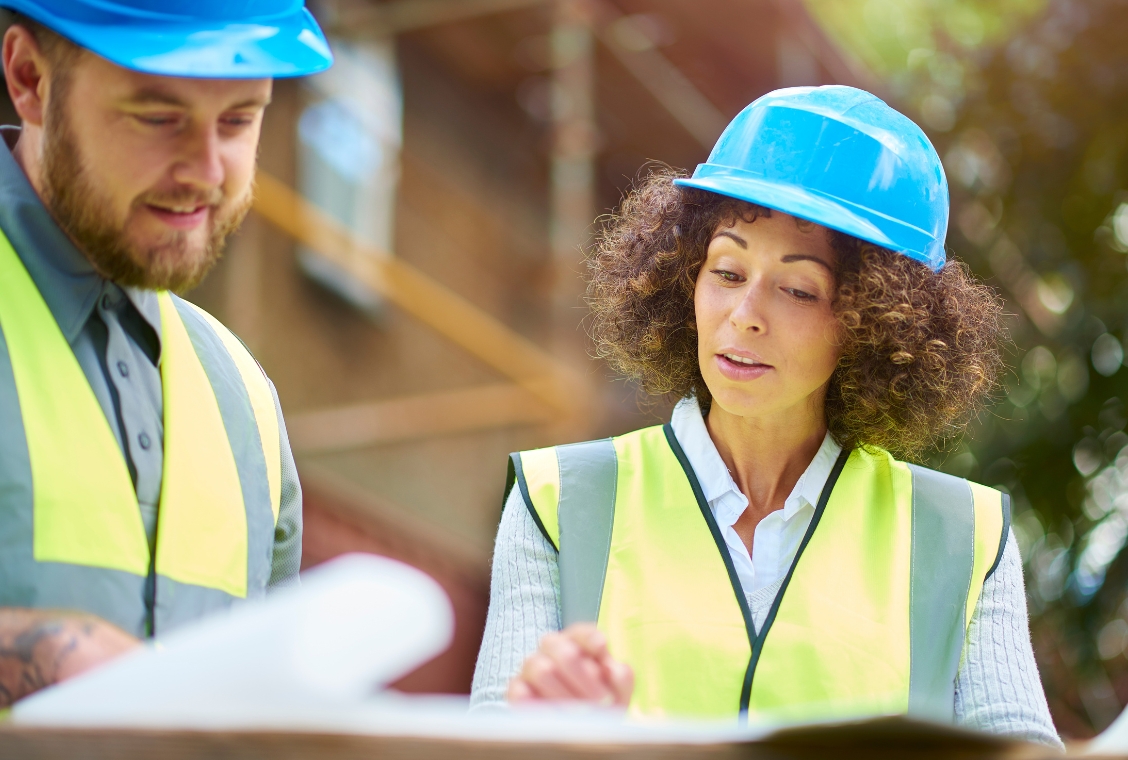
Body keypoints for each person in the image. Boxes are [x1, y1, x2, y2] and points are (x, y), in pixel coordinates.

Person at [470, 86, 1062, 747]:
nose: (745, 312)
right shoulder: (556, 502)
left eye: (799, 289)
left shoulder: (964, 539)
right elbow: (487, 742)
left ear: (873, 323)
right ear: (685, 276)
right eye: (726, 271)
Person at [0, 0, 332, 707]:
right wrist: (45, 654)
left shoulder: (241, 394)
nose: (206, 171)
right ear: (29, 78)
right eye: (157, 118)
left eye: (239, 119)